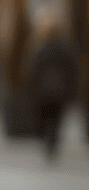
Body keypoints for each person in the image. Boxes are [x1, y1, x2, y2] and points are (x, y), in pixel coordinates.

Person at [27, 9, 78, 159]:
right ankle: (52, 140)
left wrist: (31, 88)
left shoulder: (41, 49)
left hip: (44, 91)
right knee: (56, 119)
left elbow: (34, 70)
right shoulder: (65, 47)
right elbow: (72, 70)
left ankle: (49, 140)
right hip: (60, 91)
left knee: (46, 118)